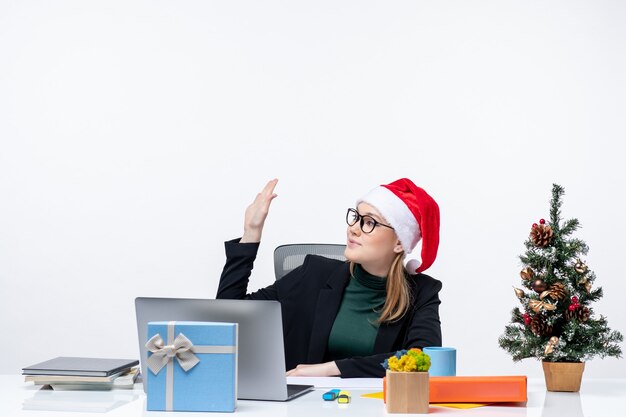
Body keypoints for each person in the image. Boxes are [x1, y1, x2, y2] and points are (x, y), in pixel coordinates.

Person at [216, 178, 442, 378]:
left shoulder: (422, 292)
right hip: (305, 407)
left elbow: (423, 359)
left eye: (369, 222)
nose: (353, 229)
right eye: (356, 217)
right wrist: (251, 233)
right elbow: (228, 318)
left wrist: (331, 368)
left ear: (399, 242)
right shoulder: (314, 274)